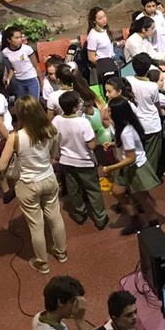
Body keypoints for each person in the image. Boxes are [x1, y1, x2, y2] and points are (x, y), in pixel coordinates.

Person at [0, 96, 67, 272]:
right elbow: (55, 155)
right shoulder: (51, 130)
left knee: (36, 225)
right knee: (55, 216)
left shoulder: (15, 137)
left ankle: (42, 263)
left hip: (27, 184)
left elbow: (0, 166)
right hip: (48, 178)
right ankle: (61, 252)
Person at [102, 94, 161, 234]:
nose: (107, 112)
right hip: (125, 166)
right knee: (117, 192)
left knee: (142, 197)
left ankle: (153, 222)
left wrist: (110, 168)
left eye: (110, 110)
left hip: (134, 167)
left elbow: (131, 158)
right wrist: (113, 144)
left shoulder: (126, 131)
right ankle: (135, 218)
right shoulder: (121, 127)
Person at [52, 91, 106, 231]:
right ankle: (100, 218)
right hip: (84, 161)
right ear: (75, 107)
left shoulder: (56, 120)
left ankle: (79, 214)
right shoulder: (83, 122)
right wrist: (97, 141)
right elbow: (91, 145)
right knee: (93, 190)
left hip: (66, 161)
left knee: (73, 190)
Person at [2, 26, 41, 98]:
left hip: (32, 79)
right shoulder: (5, 52)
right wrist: (8, 79)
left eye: (20, 37)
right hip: (19, 81)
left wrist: (42, 82)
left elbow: (36, 66)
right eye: (16, 38)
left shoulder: (27, 49)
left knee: (34, 102)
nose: (20, 40)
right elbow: (12, 68)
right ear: (9, 40)